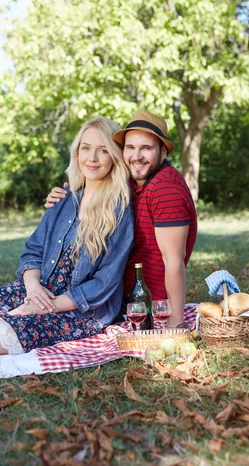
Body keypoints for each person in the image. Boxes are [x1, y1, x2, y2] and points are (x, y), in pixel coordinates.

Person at [0, 117, 134, 355]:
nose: (92, 158)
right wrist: (34, 288)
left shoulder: (119, 210)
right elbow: (34, 251)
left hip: (80, 308)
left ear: (115, 156)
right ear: (77, 152)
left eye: (103, 150)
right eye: (85, 148)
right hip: (41, 288)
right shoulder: (64, 198)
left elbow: (104, 282)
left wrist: (47, 307)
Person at [45, 111, 197, 327]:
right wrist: (64, 195)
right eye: (130, 147)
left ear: (163, 153)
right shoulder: (137, 181)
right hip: (117, 293)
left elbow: (174, 260)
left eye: (146, 148)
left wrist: (175, 321)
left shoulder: (165, 189)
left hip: (140, 305)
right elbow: (97, 182)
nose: (136, 156)